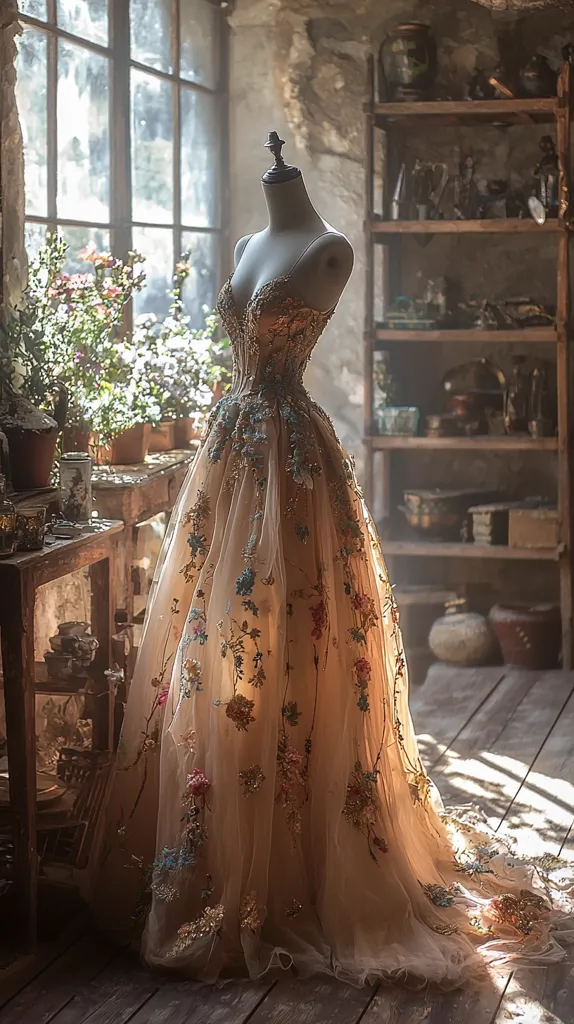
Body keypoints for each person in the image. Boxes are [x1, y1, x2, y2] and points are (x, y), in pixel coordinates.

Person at [89, 135, 573, 989]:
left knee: (300, 631)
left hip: (291, 459)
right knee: (217, 639)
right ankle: (219, 855)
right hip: (231, 454)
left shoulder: (329, 251)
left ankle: (304, 855)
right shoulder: (245, 247)